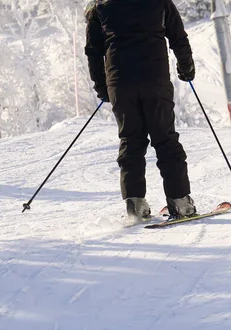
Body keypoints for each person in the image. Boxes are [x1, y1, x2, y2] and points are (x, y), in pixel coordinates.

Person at [84, 0, 197, 220]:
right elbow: (178, 36)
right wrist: (186, 67)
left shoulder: (99, 7)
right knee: (165, 139)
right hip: (154, 79)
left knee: (131, 140)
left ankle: (135, 204)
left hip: (120, 83)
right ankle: (180, 201)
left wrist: (102, 86)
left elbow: (93, 51)